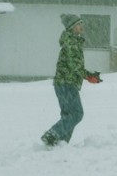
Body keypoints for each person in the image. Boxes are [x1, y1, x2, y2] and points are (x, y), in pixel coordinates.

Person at [41, 15, 102, 147]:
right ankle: (52, 134)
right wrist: (89, 76)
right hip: (66, 83)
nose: (82, 26)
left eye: (82, 23)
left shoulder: (72, 41)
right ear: (71, 27)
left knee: (68, 115)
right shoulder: (71, 42)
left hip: (63, 83)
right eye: (79, 24)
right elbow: (75, 66)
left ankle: (60, 143)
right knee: (77, 114)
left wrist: (89, 76)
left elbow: (75, 66)